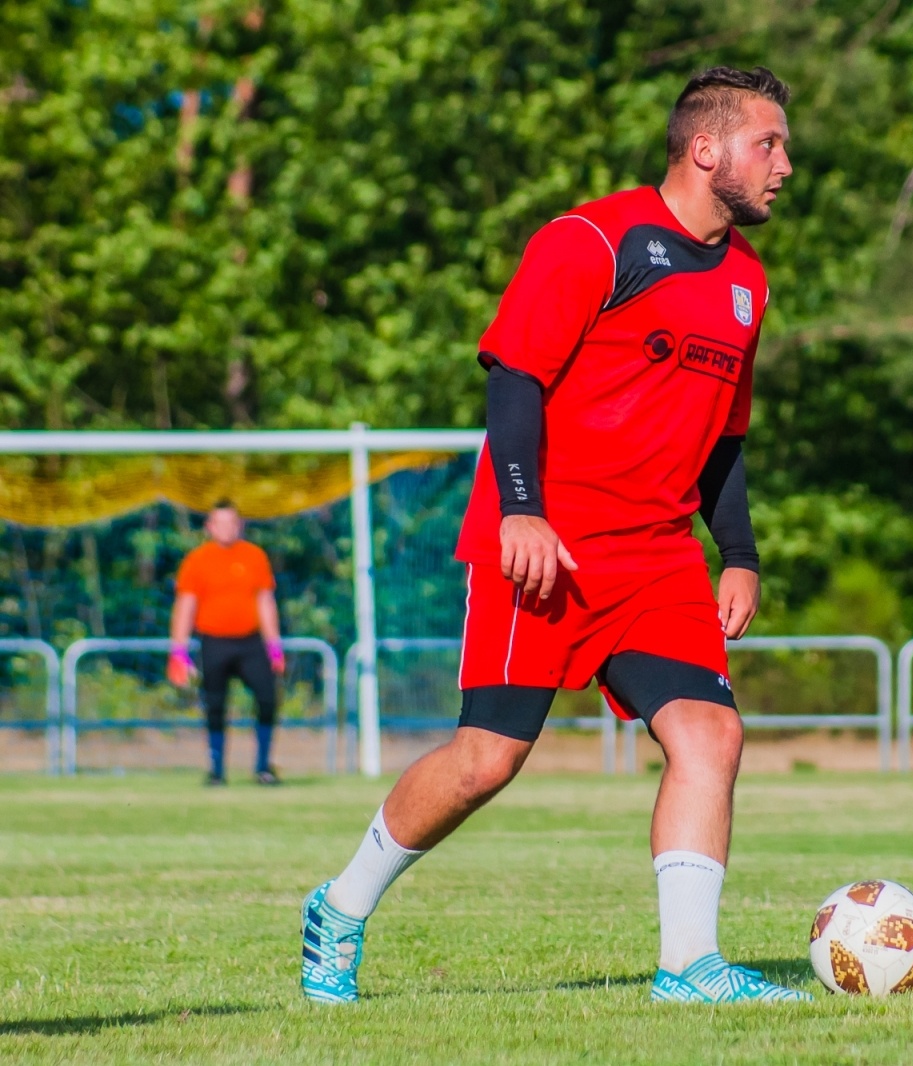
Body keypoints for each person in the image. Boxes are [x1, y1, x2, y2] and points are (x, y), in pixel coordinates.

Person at [299, 67, 808, 1005]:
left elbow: (725, 437)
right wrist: (520, 510)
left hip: (658, 558)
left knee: (711, 734)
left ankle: (689, 966)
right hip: (546, 549)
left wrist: (738, 554)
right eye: (767, 144)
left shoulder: (747, 281)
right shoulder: (591, 240)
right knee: (486, 760)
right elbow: (513, 377)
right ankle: (338, 905)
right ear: (707, 149)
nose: (785, 163)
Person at [167, 500, 285, 786]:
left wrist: (274, 644)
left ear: (240, 525)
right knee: (215, 705)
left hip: (251, 643)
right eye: (219, 523)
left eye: (231, 522)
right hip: (214, 642)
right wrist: (178, 650)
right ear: (209, 527)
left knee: (268, 698)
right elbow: (186, 605)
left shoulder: (254, 556)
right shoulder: (197, 560)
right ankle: (217, 769)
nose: (226, 529)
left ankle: (262, 768)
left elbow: (265, 600)